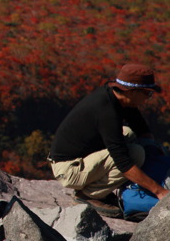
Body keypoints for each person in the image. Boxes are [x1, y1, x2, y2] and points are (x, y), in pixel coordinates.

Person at [48, 63, 166, 217]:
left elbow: (141, 128)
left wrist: (155, 154)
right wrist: (159, 191)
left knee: (130, 134)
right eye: (147, 93)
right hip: (69, 169)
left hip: (80, 156)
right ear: (133, 91)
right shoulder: (106, 111)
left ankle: (98, 185)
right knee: (136, 154)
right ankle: (88, 195)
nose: (148, 99)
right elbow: (123, 162)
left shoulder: (117, 97)